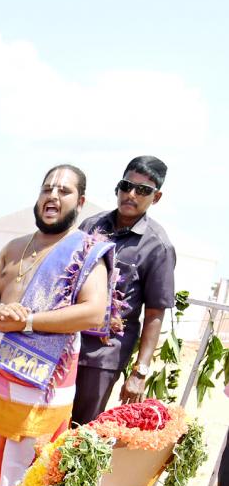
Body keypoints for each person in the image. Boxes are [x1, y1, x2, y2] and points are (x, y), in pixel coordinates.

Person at [0, 165, 119, 486]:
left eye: (64, 191)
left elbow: (94, 312)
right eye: (47, 188)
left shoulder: (86, 252)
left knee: (21, 476)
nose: (53, 195)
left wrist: (29, 321)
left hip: (41, 385)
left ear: (80, 202)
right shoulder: (14, 246)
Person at [71, 156, 175, 424]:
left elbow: (154, 312)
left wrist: (140, 372)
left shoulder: (157, 246)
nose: (131, 194)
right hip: (66, 339)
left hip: (103, 356)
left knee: (79, 433)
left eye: (142, 190)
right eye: (126, 186)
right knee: (47, 422)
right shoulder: (91, 226)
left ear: (157, 197)